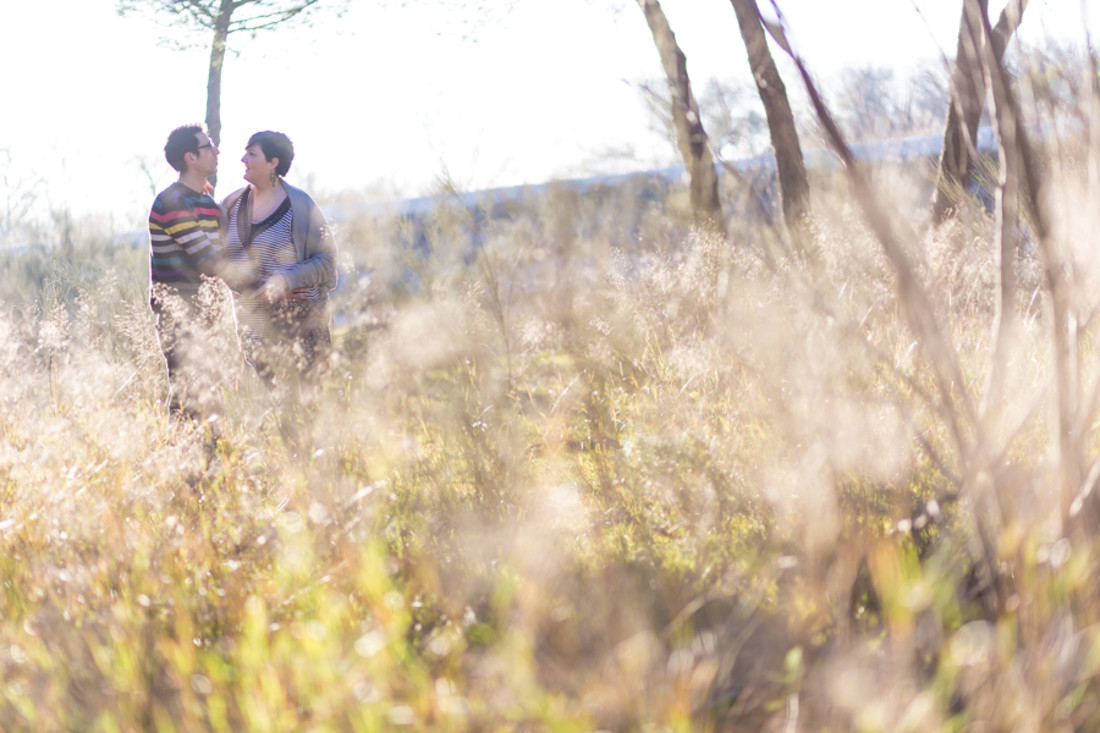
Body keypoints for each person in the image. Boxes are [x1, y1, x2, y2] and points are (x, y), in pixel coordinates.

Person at [220, 130, 338, 382]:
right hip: (254, 330)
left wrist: (286, 280)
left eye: (251, 154)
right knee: (269, 410)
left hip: (301, 328)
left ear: (273, 163)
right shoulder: (230, 206)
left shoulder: (301, 204)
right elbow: (217, 261)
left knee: (305, 409)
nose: (243, 159)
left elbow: (327, 262)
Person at [148, 123, 229, 417]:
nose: (217, 151)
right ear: (190, 158)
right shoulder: (172, 201)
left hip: (209, 316)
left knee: (211, 398)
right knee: (187, 398)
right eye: (209, 146)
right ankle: (177, 459)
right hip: (179, 317)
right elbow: (208, 260)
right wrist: (262, 285)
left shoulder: (209, 204)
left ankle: (212, 460)